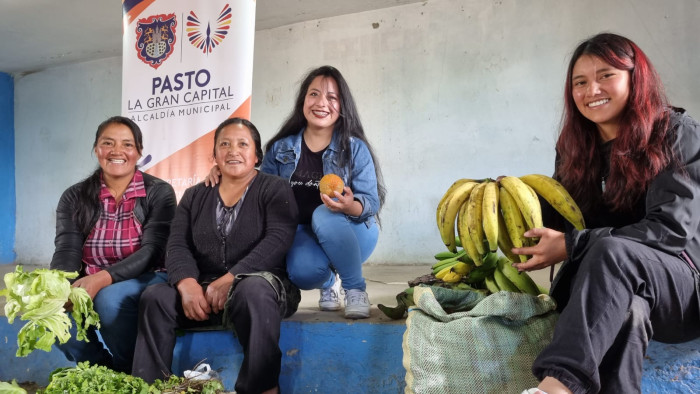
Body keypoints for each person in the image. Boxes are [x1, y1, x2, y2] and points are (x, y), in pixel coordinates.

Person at [515, 33, 700, 394]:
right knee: (628, 314)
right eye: (579, 82)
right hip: (605, 294)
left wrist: (572, 246)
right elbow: (562, 221)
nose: (591, 90)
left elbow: (670, 230)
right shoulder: (573, 148)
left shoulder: (676, 134)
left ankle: (555, 386)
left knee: (611, 250)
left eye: (606, 75)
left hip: (680, 290)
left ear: (636, 78)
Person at [132, 118, 300, 394]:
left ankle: (262, 387)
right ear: (214, 155)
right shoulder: (195, 195)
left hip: (263, 287)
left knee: (253, 289)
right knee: (155, 297)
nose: (233, 150)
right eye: (225, 144)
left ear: (256, 155)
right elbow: (176, 244)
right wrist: (186, 284)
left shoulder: (275, 188)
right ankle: (150, 387)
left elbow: (278, 240)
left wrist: (231, 279)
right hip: (203, 293)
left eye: (242, 144)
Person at [207, 66, 386, 319]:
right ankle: (328, 283)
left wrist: (348, 206)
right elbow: (257, 185)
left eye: (332, 97)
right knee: (300, 271)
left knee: (325, 214)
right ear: (303, 100)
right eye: (314, 94)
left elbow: (370, 201)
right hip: (305, 234)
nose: (321, 103)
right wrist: (222, 173)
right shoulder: (281, 148)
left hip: (353, 230)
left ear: (342, 105)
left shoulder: (354, 148)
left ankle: (355, 289)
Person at [50, 116, 176, 373]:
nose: (117, 151)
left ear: (139, 151)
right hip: (93, 280)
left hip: (149, 276)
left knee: (108, 300)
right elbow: (67, 250)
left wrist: (102, 279)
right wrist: (58, 287)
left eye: (127, 145)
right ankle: (103, 371)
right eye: (108, 143)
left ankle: (132, 368)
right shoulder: (74, 196)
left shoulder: (158, 192)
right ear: (96, 149)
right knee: (51, 314)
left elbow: (153, 251)